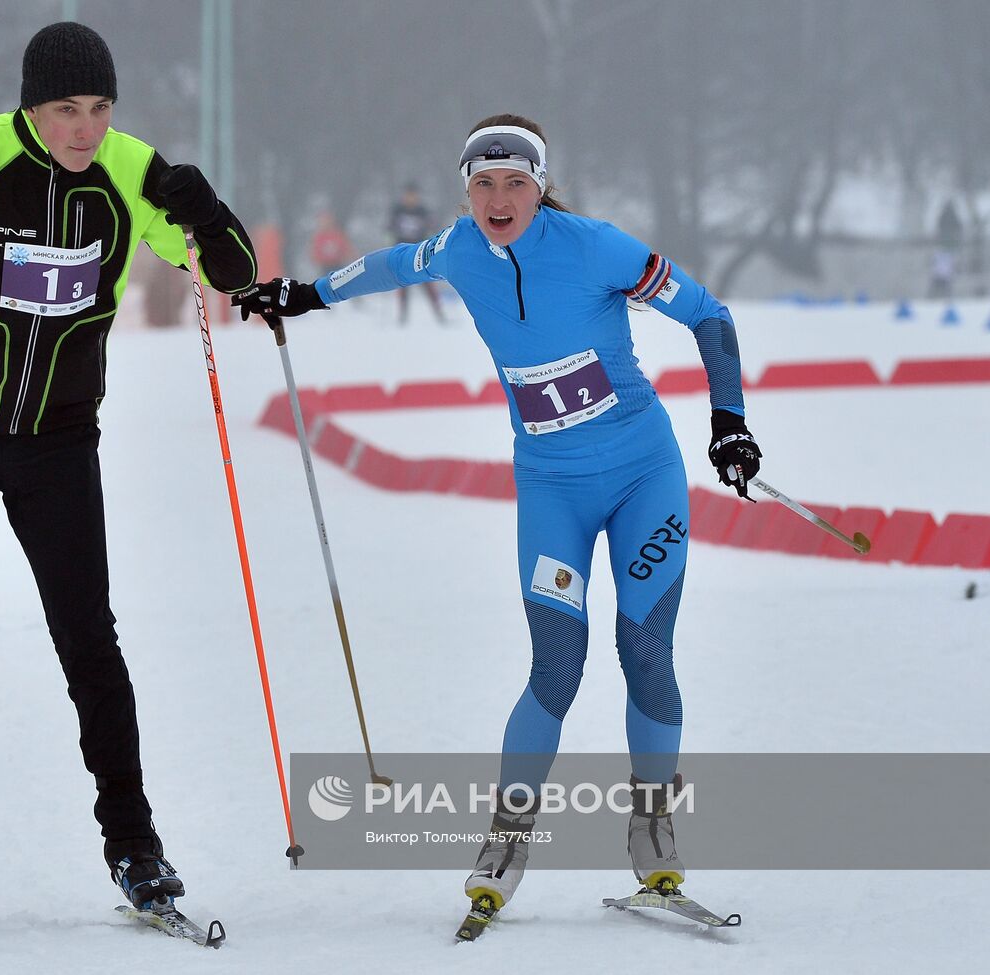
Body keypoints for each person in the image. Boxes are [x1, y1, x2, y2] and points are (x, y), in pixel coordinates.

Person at [234, 114, 760, 917]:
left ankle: (653, 824)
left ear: (541, 185)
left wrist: (729, 421)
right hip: (551, 485)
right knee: (557, 662)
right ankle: (507, 835)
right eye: (483, 182)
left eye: (516, 181)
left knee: (645, 649)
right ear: (466, 190)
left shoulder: (597, 245)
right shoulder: (455, 249)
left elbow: (710, 314)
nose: (498, 197)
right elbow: (381, 267)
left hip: (642, 472)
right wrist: (302, 295)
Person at [0, 22, 258, 912]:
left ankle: (135, 845)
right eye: (68, 110)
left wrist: (208, 213)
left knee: (90, 642)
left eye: (101, 109)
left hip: (60, 444)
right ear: (33, 106)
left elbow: (233, 274)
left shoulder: (131, 171)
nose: (86, 129)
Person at [386, 183, 445, 323]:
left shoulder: (422, 211)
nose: (411, 199)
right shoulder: (398, 210)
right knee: (402, 285)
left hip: (419, 252)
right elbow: (389, 228)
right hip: (402, 252)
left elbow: (431, 228)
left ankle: (439, 314)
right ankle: (402, 316)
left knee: (428, 284)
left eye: (413, 196)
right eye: (408, 195)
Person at [309, 209, 354, 278]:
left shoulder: (337, 234)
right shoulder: (318, 237)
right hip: (325, 266)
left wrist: (349, 257)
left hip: (338, 264)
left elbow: (346, 248)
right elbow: (315, 252)